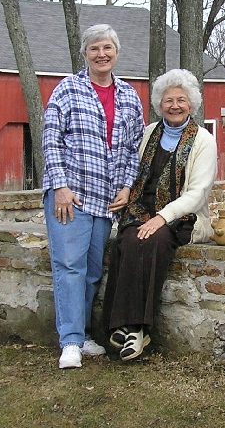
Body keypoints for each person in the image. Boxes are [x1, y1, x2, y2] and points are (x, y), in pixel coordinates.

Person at [43, 24, 145, 369]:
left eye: (108, 48)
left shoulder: (130, 96)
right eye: (95, 49)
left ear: (116, 52)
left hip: (106, 199)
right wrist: (59, 185)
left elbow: (134, 149)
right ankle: (69, 341)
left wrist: (127, 186)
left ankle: (84, 335)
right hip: (70, 195)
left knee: (90, 271)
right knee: (69, 266)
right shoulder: (68, 90)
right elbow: (51, 138)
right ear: (85, 53)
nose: (102, 54)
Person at [102, 69, 217, 361]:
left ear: (191, 104)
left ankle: (137, 328)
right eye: (168, 100)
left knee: (153, 241)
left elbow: (197, 194)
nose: (174, 106)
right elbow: (132, 170)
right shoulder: (149, 133)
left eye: (181, 100)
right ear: (159, 104)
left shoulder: (203, 140)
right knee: (127, 240)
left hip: (181, 218)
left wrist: (162, 217)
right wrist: (127, 193)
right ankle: (119, 326)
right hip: (142, 210)